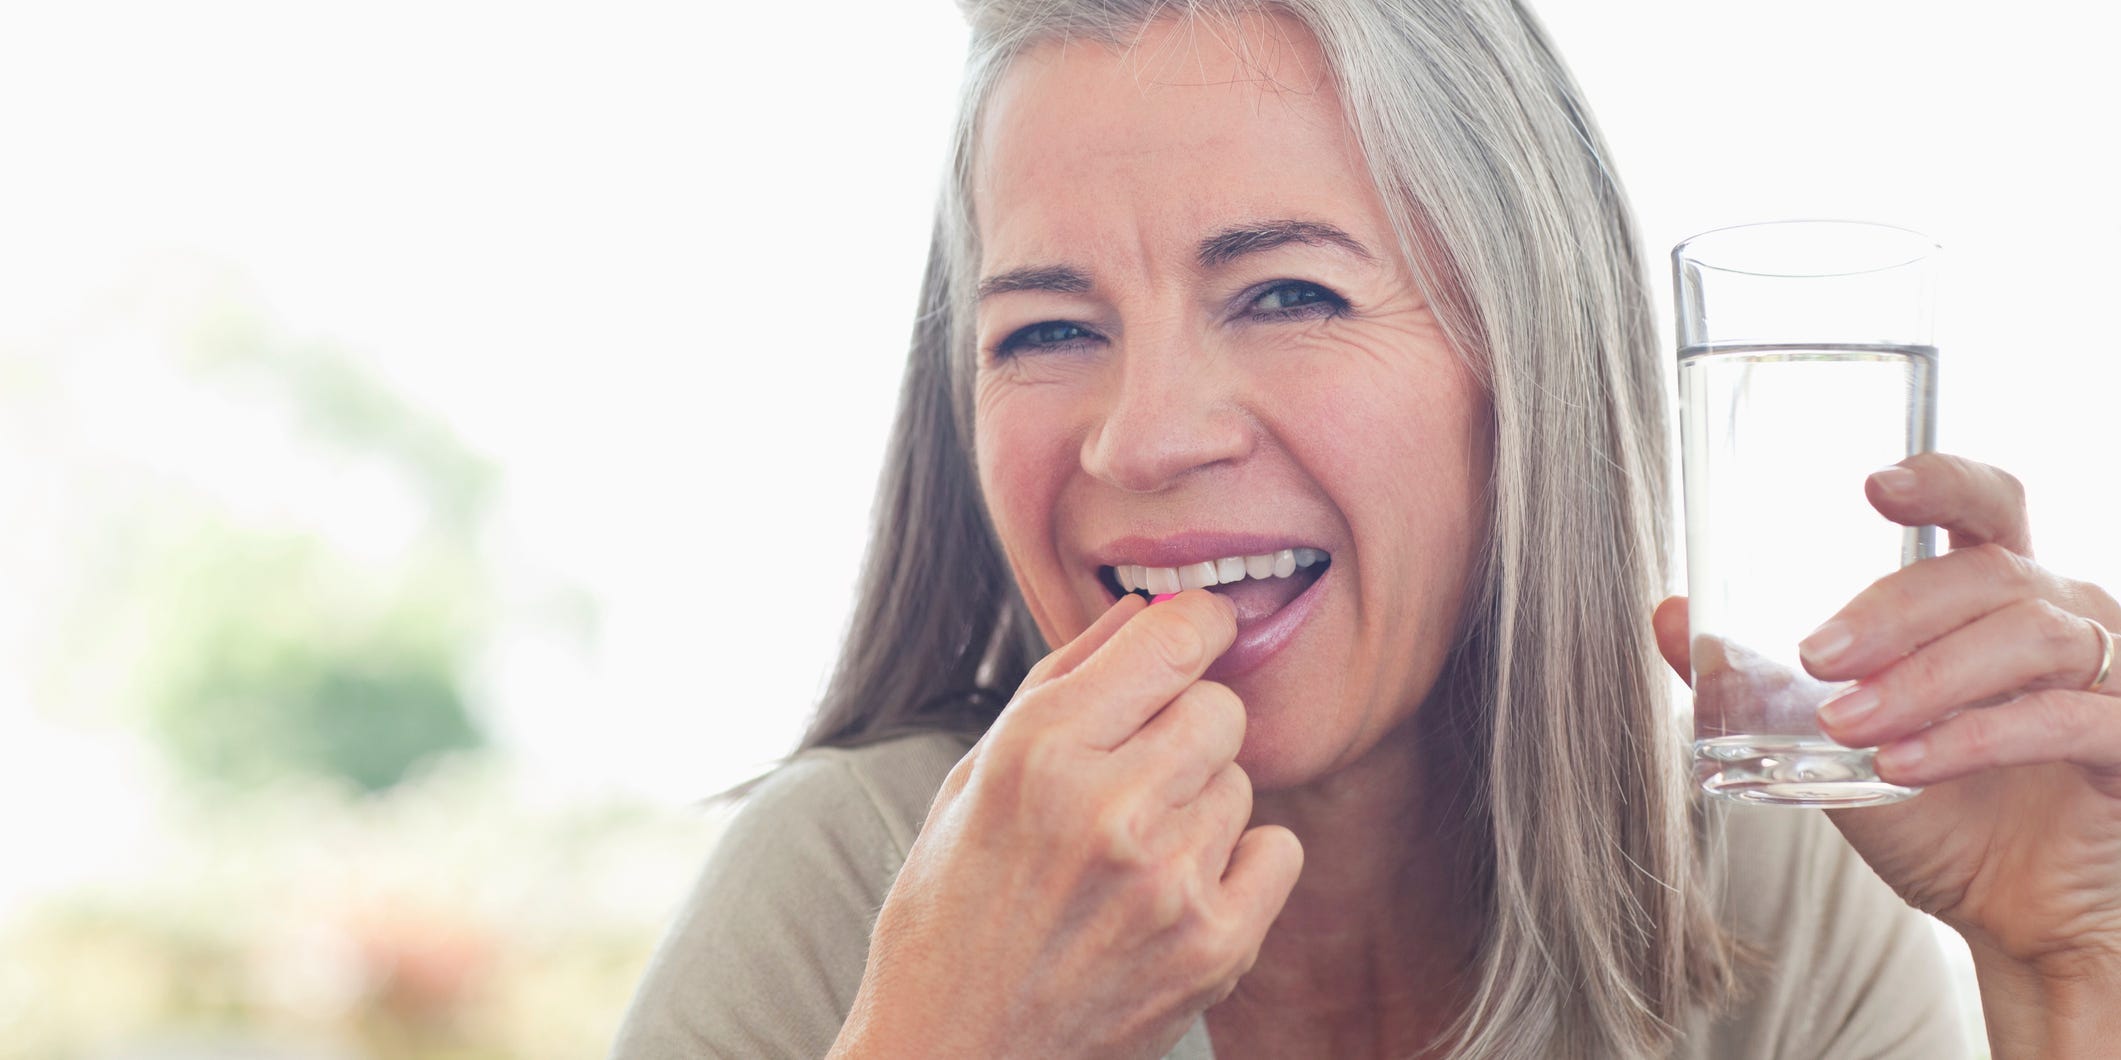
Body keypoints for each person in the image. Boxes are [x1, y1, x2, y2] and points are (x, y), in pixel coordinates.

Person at [614, 1, 2121, 1056]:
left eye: (1285, 294)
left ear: (1524, 368)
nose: (1142, 437)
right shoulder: (852, 890)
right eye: (1047, 327)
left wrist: (2069, 969)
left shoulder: (1757, 894)